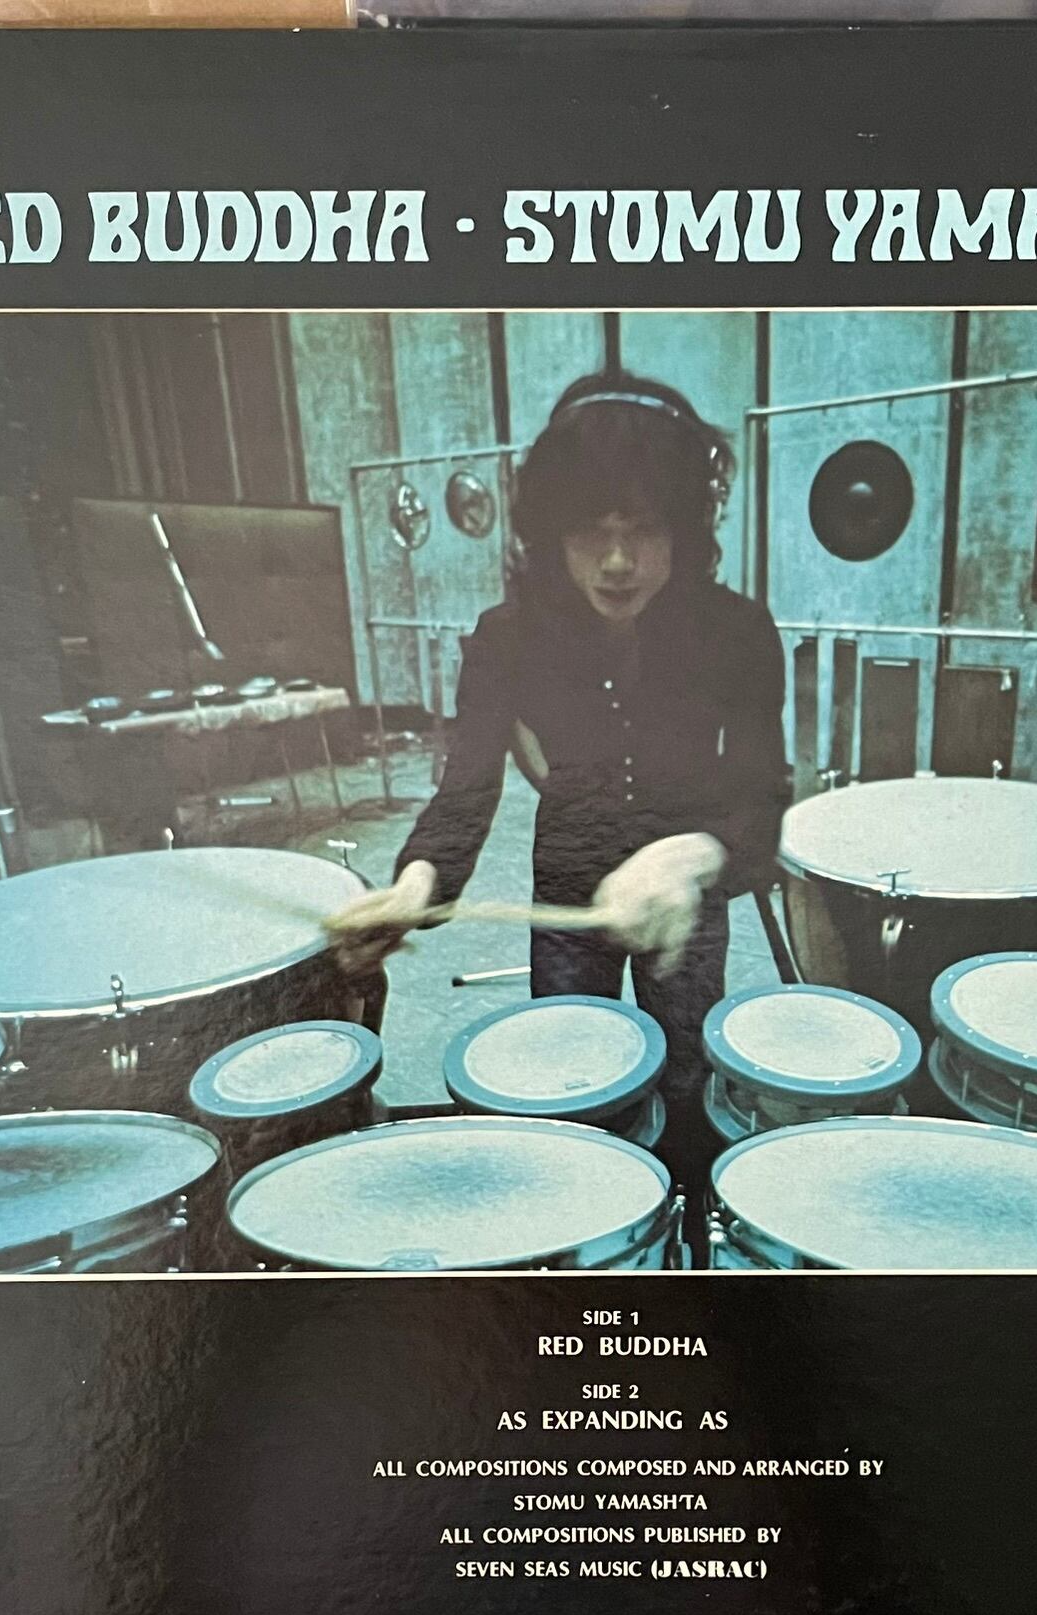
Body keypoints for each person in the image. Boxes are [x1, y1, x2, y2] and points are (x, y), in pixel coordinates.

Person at [333, 371, 790, 1234]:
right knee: (573, 1095)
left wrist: (690, 859)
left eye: (643, 528)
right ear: (551, 533)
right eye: (591, 532)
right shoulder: (506, 639)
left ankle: (686, 1250)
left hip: (686, 895)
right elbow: (465, 792)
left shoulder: (737, 633)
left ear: (684, 526)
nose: (617, 561)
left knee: (689, 1088)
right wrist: (415, 886)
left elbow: (763, 803)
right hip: (568, 887)